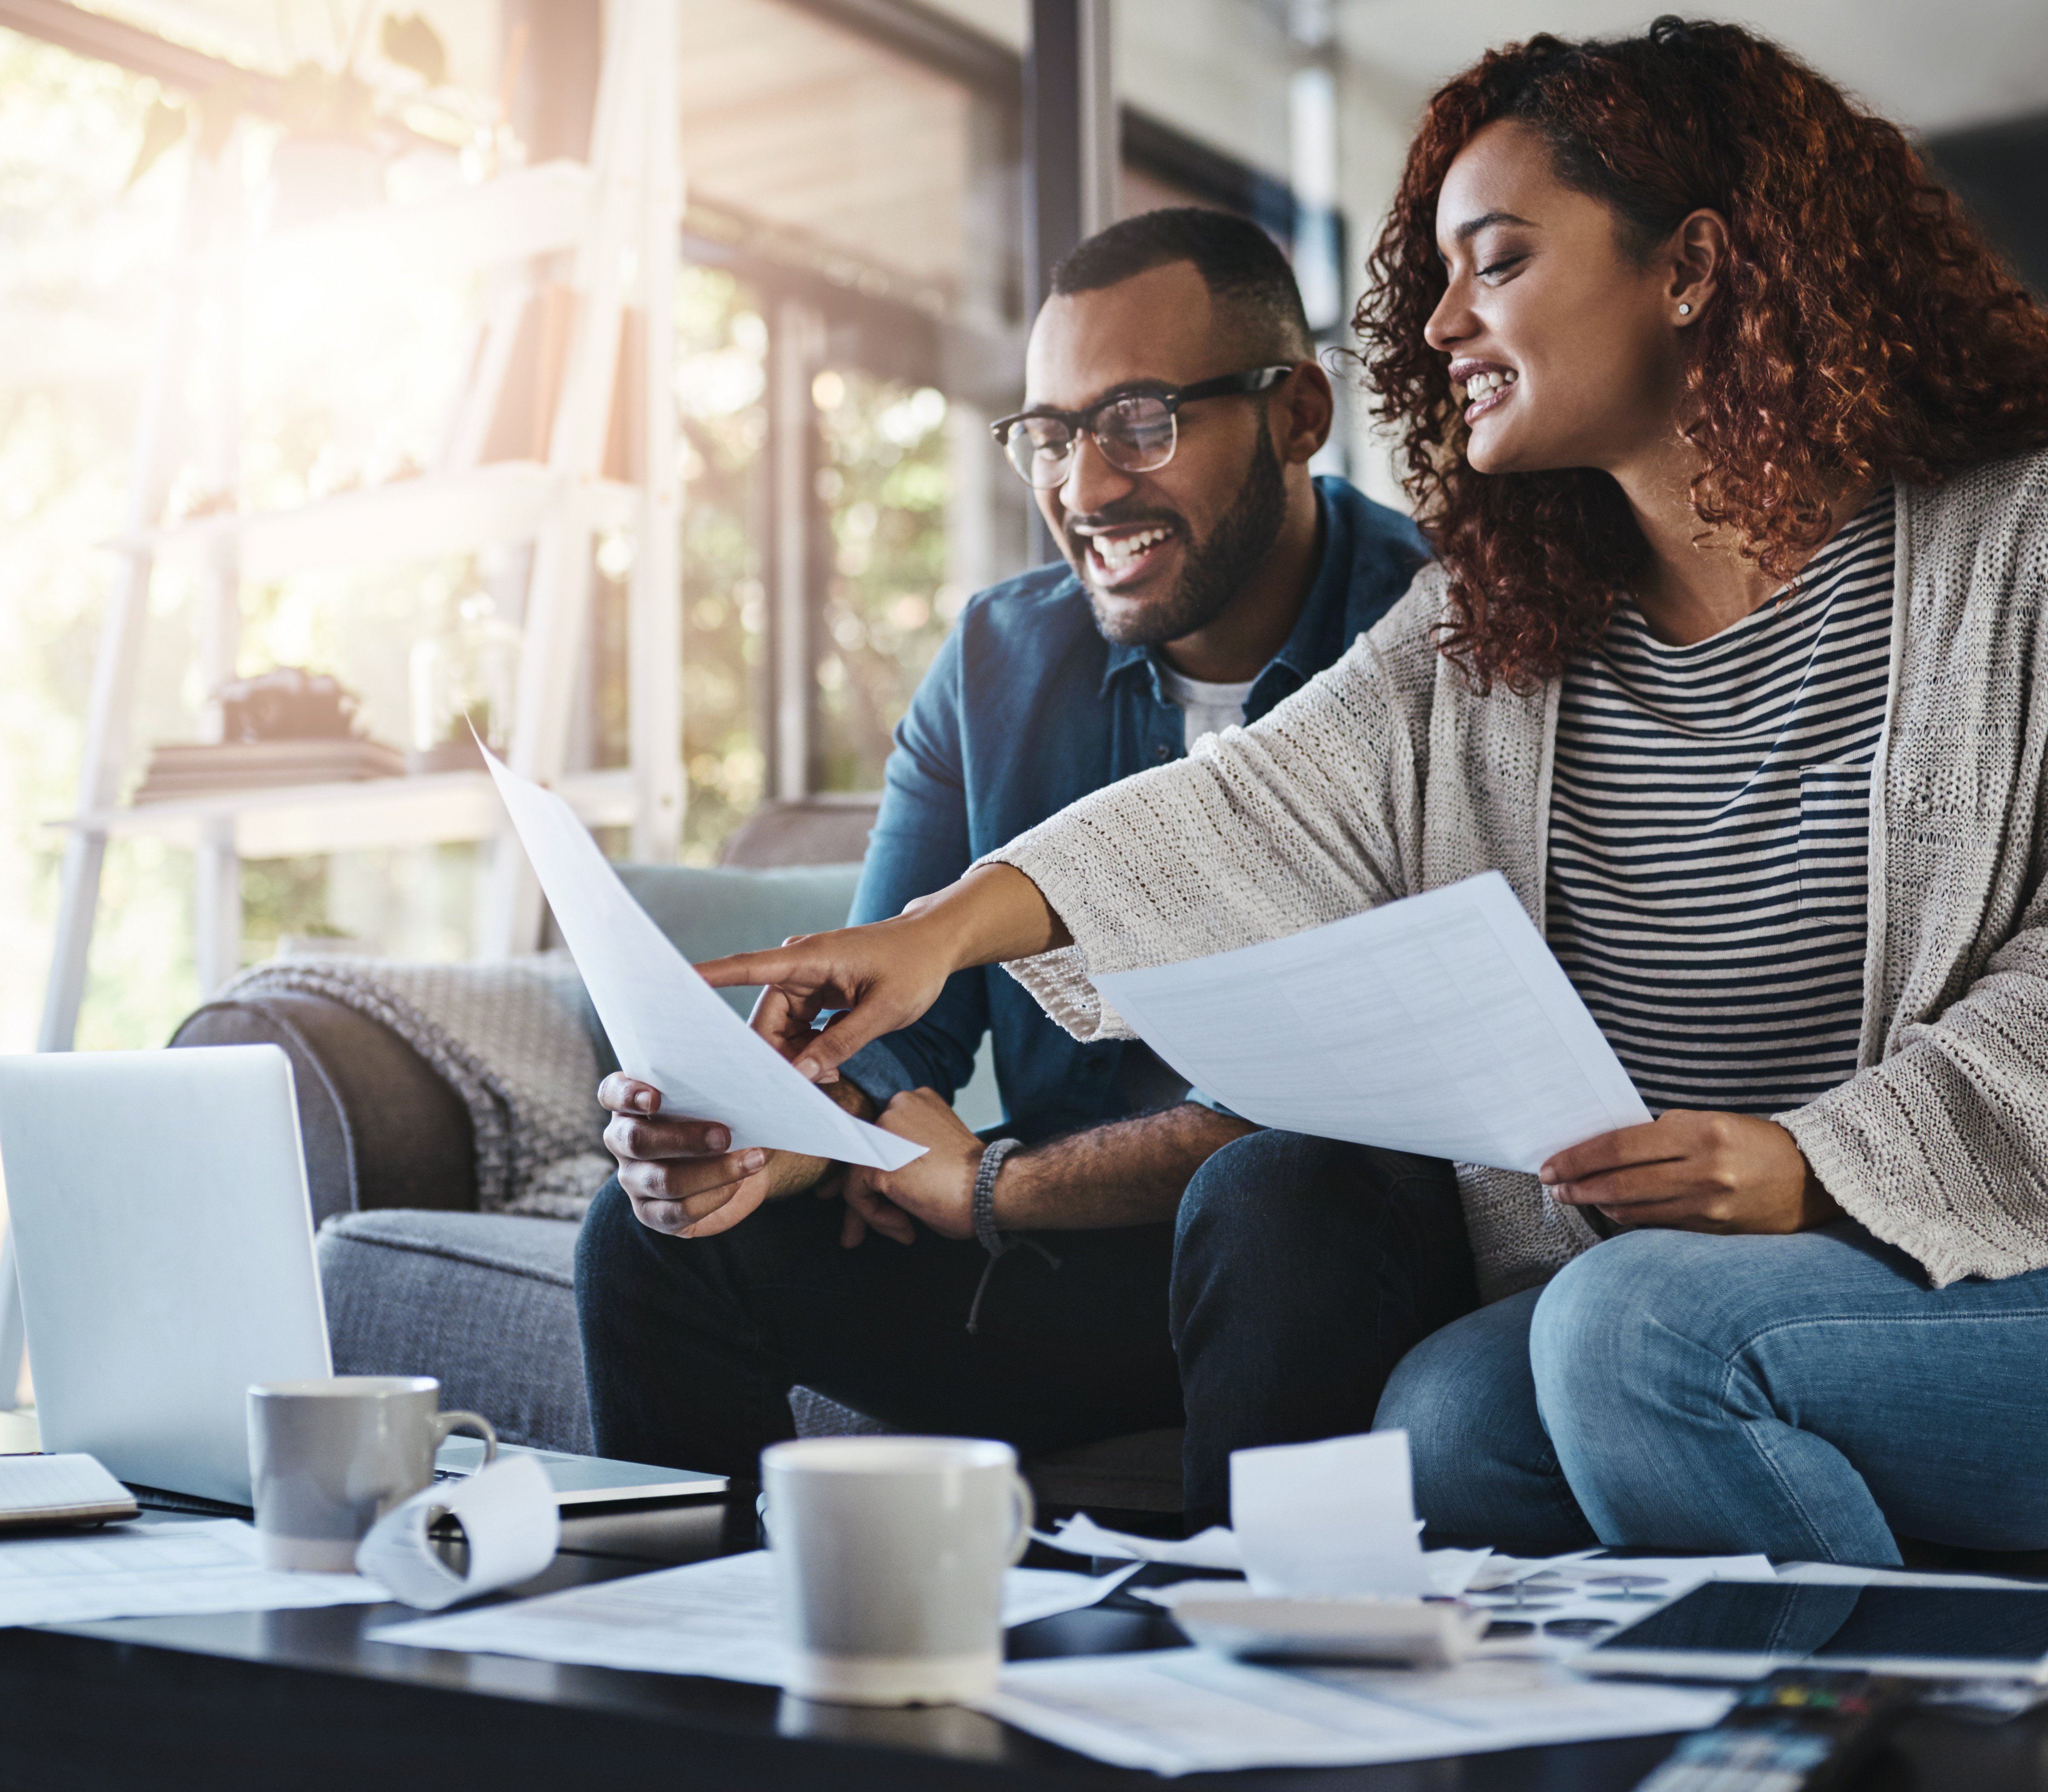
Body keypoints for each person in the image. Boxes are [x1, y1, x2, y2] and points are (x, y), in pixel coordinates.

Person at [696, 20, 2048, 1566]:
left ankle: (1832, 1737)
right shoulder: (1498, 629)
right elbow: (1248, 808)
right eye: (1438, 280)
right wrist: (932, 934)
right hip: (1663, 1289)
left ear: (1691, 267)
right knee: (1435, 1424)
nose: (1436, 325)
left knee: (1623, 1334)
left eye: (1497, 262)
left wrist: (1801, 1165)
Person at [574, 207, 1434, 1523]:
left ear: (1295, 413)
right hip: (1062, 1272)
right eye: (1049, 434)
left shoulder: (1443, 636)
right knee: (655, 1233)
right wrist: (756, 1148)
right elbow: (880, 1050)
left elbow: (1356, 1103)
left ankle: (1251, 1694)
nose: (1083, 490)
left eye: (1139, 421)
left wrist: (982, 1186)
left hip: (1323, 1268)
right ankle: (714, 1692)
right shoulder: (997, 660)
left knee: (1278, 1194)